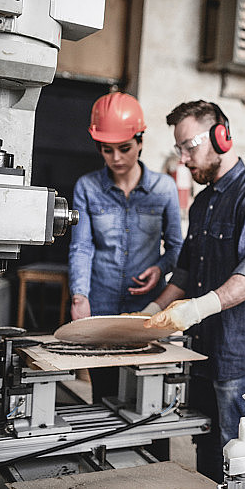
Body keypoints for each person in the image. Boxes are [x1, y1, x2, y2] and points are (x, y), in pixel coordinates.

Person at [142, 100, 245, 483]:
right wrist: (152, 309)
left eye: (189, 146)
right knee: (206, 445)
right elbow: (186, 271)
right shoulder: (205, 200)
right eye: (180, 149)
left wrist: (196, 310)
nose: (184, 159)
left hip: (241, 351)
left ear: (221, 137)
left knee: (238, 454)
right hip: (204, 347)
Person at [69, 91, 183, 403]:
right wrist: (80, 295)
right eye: (107, 151)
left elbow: (177, 248)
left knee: (149, 396)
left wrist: (160, 267)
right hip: (101, 303)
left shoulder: (164, 189)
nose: (116, 158)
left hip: (147, 309)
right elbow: (82, 247)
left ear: (141, 140)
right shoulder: (87, 188)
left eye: (125, 148)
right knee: (104, 393)